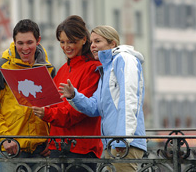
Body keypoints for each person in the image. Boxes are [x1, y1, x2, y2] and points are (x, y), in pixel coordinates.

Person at [59, 25, 147, 172]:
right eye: (92, 42)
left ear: (112, 43)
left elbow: (129, 99)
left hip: (123, 144)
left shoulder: (124, 59)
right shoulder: (106, 68)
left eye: (98, 41)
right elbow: (95, 106)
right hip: (112, 143)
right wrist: (74, 95)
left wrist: (122, 140)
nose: (92, 46)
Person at [0, 19, 56, 171]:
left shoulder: (49, 69)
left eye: (29, 42)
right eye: (20, 43)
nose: (25, 48)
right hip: (10, 149)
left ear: (38, 41)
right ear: (14, 42)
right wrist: (5, 138)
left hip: (41, 150)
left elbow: (54, 108)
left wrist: (52, 138)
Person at [32, 15, 103, 172]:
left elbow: (79, 111)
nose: (66, 47)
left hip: (81, 149)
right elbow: (54, 105)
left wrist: (46, 114)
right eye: (62, 42)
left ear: (84, 40)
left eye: (71, 42)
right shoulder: (63, 69)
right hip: (57, 146)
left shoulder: (93, 69)